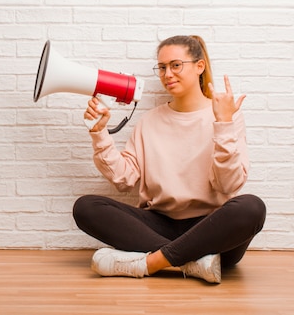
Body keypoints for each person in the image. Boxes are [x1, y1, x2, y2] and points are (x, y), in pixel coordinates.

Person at [73, 35, 266, 283]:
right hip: (158, 225)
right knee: (86, 207)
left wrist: (224, 124)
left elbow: (228, 186)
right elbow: (124, 179)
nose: (167, 74)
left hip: (211, 231)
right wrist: (99, 133)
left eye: (175, 65)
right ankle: (195, 262)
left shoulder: (226, 116)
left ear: (199, 66)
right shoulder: (149, 121)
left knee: (252, 207)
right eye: (162, 67)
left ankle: (151, 263)